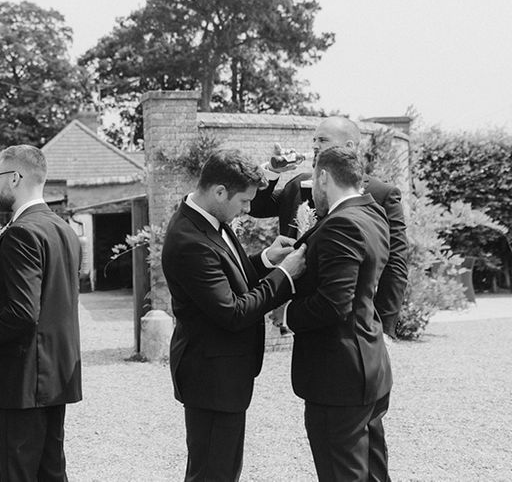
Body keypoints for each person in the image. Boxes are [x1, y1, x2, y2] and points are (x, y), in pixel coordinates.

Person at [162, 149, 307, 482]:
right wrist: (284, 275)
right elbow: (233, 311)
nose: (247, 210)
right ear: (219, 192)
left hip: (222, 373)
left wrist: (267, 259)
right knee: (212, 474)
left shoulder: (208, 218)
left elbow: (231, 280)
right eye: (244, 202)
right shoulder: (189, 240)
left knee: (222, 470)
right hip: (210, 376)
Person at [0, 145, 82, 482]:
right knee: (51, 472)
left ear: (15, 177)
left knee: (19, 474)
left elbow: (22, 311)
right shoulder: (64, 229)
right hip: (55, 374)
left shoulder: (23, 232)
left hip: (22, 378)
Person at [275, 146, 393, 481]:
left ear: (323, 177)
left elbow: (333, 303)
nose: (313, 188)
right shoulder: (373, 214)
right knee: (372, 472)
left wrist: (286, 314)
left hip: (337, 375)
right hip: (369, 364)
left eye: (313, 178)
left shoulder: (342, 224)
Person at [250, 116, 409, 338]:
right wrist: (272, 171)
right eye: (314, 139)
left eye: (323, 140)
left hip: (349, 322)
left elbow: (396, 264)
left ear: (349, 146)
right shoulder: (298, 184)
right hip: (301, 314)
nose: (315, 145)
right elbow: (255, 206)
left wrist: (385, 330)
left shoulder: (382, 194)